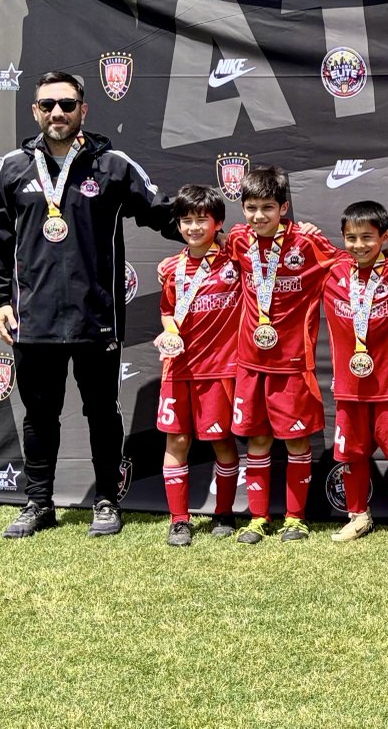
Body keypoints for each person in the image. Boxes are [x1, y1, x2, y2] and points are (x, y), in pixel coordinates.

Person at [0, 71, 181, 538]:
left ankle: (107, 501)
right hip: (33, 319)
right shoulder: (11, 169)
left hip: (97, 317)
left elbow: (163, 212)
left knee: (102, 413)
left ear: (83, 110)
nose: (58, 112)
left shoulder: (112, 165)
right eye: (48, 104)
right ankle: (38, 504)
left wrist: (218, 233)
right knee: (39, 417)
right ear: (35, 111)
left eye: (67, 104)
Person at [225, 165, 342, 544]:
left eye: (268, 208)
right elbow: (213, 254)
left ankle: (295, 517)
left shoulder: (306, 242)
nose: (259, 216)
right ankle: (258, 518)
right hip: (250, 362)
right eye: (251, 208)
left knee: (296, 442)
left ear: (284, 208)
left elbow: (350, 260)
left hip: (292, 363)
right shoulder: (238, 239)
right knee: (257, 441)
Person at [322, 200, 388, 544]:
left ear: (384, 236)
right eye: (351, 238)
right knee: (351, 454)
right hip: (348, 386)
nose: (359, 245)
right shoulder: (333, 271)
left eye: (367, 237)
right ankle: (358, 515)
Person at [153, 185, 241, 547]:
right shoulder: (171, 267)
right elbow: (167, 311)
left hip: (219, 369)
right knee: (177, 440)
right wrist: (169, 332)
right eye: (186, 220)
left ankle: (224, 513)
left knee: (221, 440)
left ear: (217, 222)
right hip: (178, 369)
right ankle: (179, 520)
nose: (193, 227)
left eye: (201, 219)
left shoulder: (235, 258)